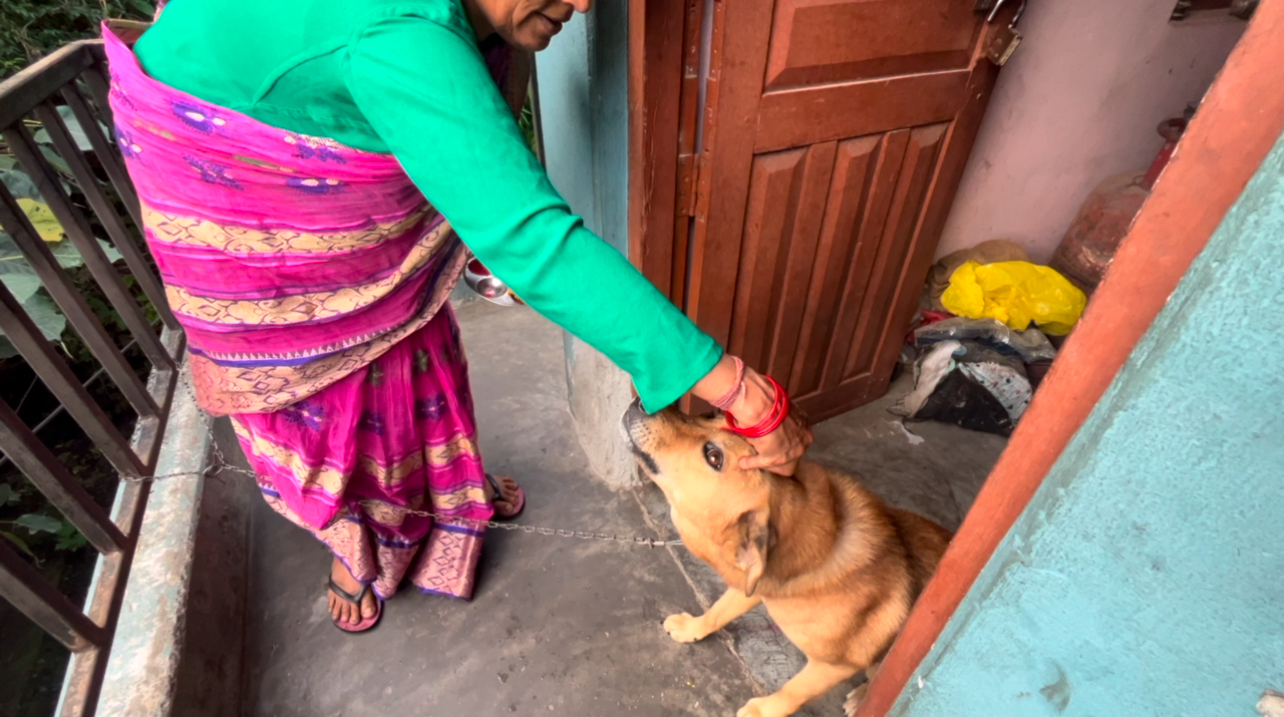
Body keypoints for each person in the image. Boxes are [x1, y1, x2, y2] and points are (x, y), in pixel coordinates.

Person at [108, 0, 811, 632]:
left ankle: (445, 490)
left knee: (407, 323)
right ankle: (355, 547)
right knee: (328, 386)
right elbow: (531, 241)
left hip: (304, 76)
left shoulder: (433, 29)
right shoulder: (402, 32)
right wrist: (737, 385)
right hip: (229, 158)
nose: (584, 3)